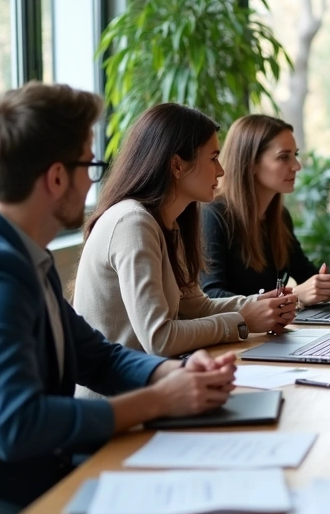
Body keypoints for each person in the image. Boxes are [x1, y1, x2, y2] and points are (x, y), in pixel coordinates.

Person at [0, 83, 238, 514]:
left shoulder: (21, 254)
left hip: (36, 480)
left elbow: (97, 356)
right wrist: (158, 400)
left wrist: (171, 374)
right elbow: (16, 425)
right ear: (56, 178)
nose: (95, 180)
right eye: (89, 164)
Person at [73, 104, 296, 365]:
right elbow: (159, 339)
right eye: (213, 158)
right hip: (121, 388)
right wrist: (242, 321)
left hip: (154, 378)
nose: (221, 170)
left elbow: (196, 307)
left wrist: (258, 304)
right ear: (177, 165)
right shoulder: (133, 223)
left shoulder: (168, 223)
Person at [201, 115, 330, 304]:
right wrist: (292, 296)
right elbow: (211, 296)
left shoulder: (279, 217)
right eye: (283, 157)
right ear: (250, 163)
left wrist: (322, 285)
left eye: (295, 155)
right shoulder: (212, 215)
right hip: (238, 325)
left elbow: (306, 274)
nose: (296, 166)